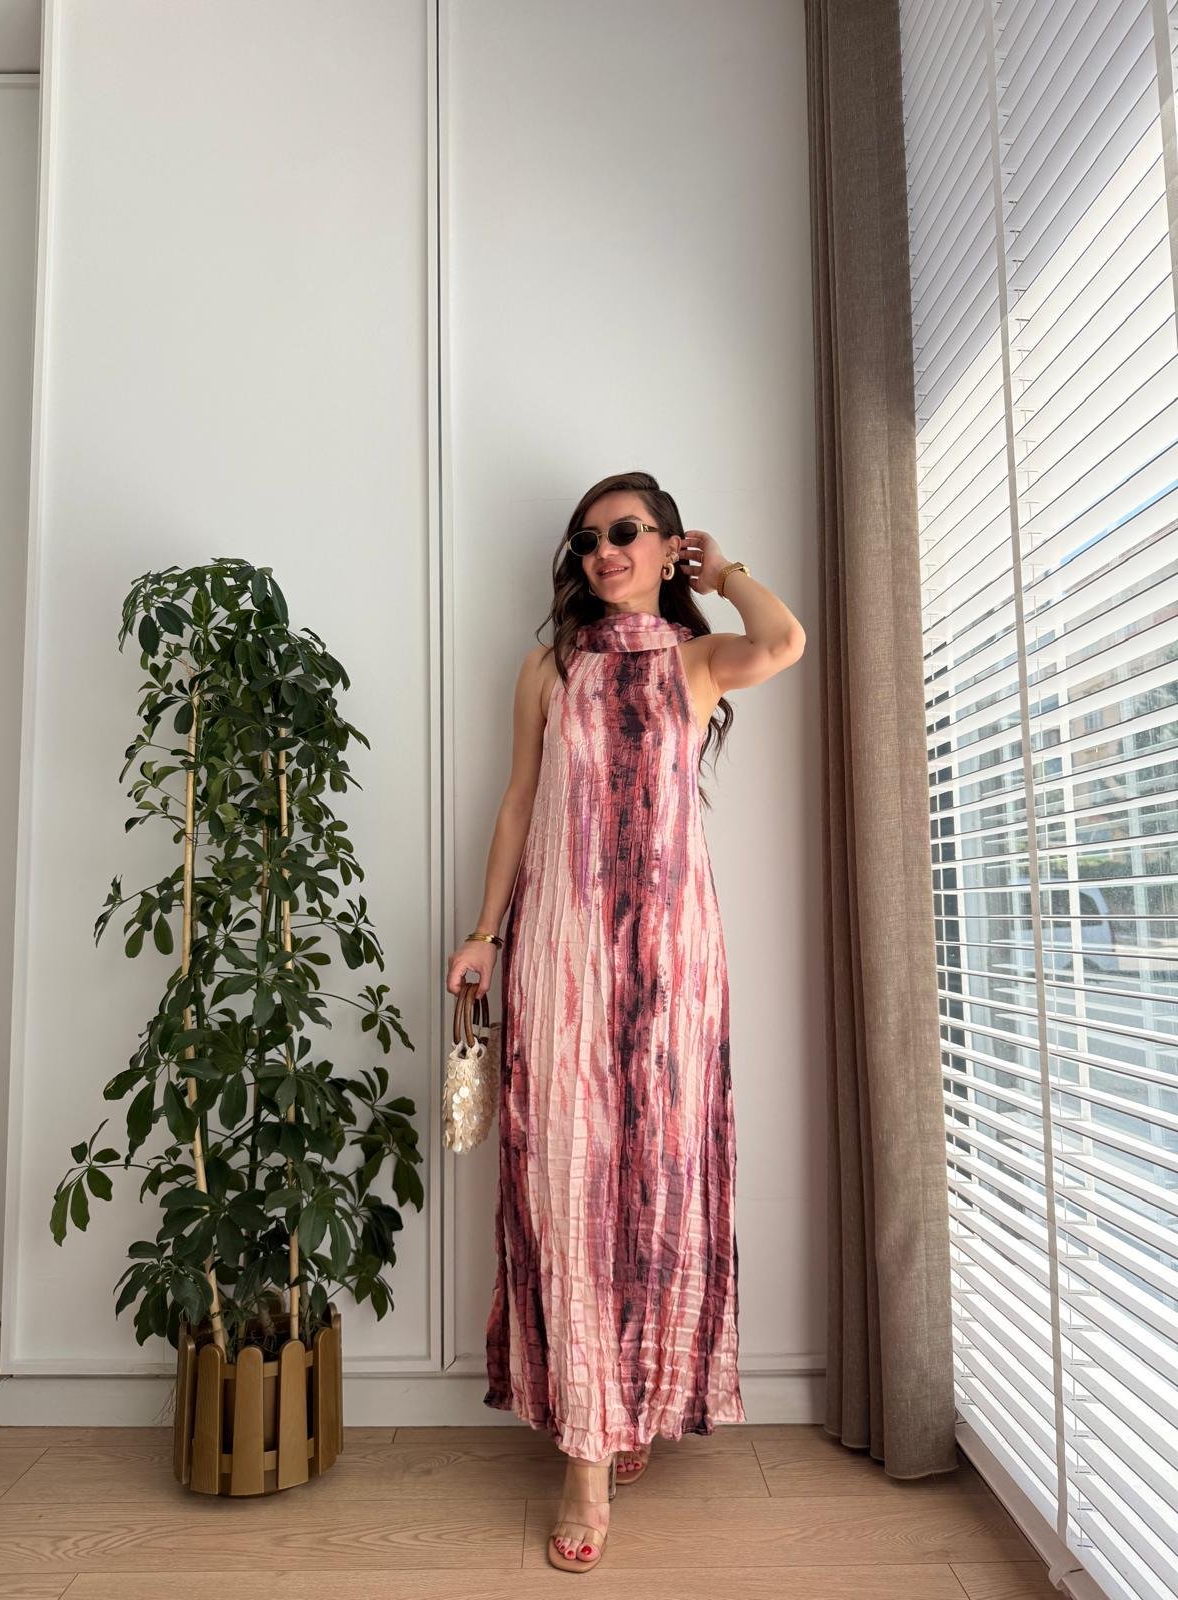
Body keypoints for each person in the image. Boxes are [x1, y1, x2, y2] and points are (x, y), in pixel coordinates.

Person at [445, 470, 805, 1571]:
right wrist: (484, 932)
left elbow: (785, 641)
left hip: (674, 966)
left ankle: (631, 1397)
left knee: (658, 1189)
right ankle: (585, 1457)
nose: (603, 551)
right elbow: (518, 801)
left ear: (665, 546)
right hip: (560, 953)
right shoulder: (547, 670)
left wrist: (725, 569)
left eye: (626, 533)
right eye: (588, 539)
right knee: (568, 1187)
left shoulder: (698, 660)